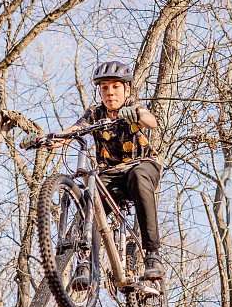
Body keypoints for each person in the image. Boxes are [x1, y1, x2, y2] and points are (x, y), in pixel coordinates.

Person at [23, 61, 165, 285]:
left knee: (138, 177)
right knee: (89, 198)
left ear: (126, 90)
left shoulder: (134, 106)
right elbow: (72, 132)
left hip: (141, 165)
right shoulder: (95, 113)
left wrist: (136, 115)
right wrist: (44, 140)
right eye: (104, 88)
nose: (110, 93)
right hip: (109, 172)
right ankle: (85, 263)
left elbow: (151, 121)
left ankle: (153, 256)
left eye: (115, 87)